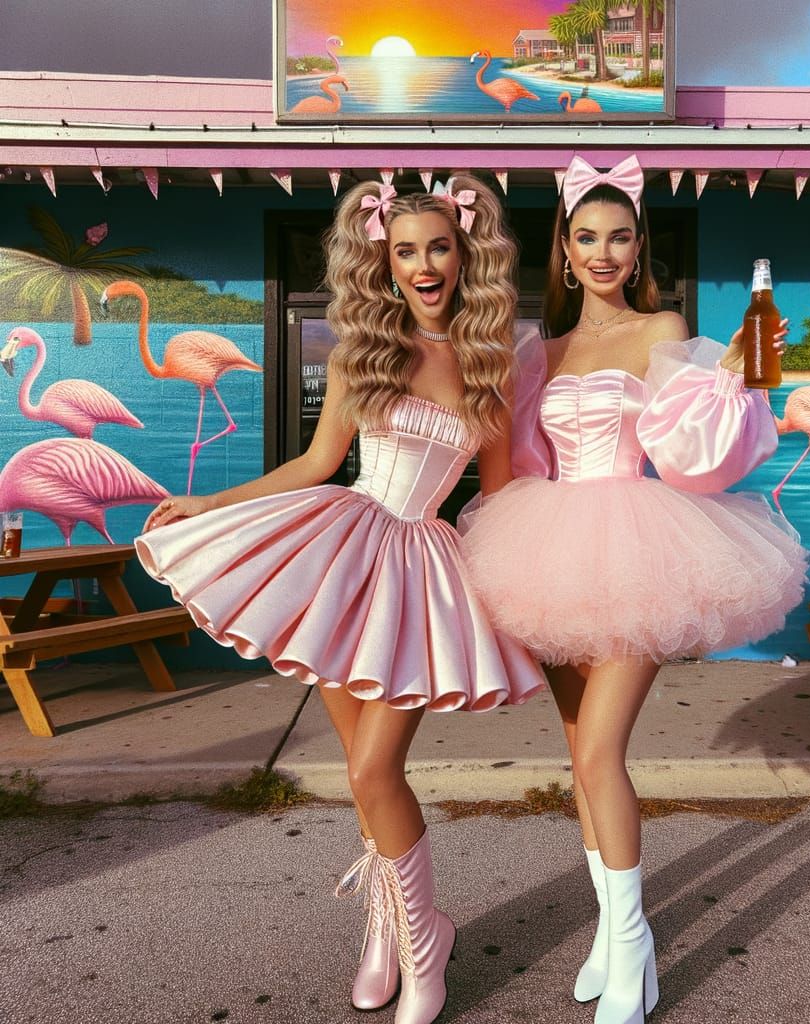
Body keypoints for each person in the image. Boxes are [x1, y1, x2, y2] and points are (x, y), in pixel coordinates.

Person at [130, 175, 546, 1024]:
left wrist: (526, 583)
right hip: (343, 557)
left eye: (439, 247)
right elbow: (317, 465)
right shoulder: (365, 350)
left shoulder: (488, 365)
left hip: (421, 568)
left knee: (371, 769)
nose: (424, 265)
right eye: (406, 251)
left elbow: (499, 496)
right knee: (363, 777)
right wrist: (212, 502)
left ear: (463, 256)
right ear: (385, 263)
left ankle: (426, 945)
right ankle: (388, 931)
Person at [460, 155, 809, 1024]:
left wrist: (735, 377)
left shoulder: (663, 328)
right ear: (565, 249)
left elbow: (693, 449)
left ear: (638, 245)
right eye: (587, 237)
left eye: (619, 237)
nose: (603, 252)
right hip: (547, 550)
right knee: (577, 753)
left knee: (599, 755)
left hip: (637, 549)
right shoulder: (538, 350)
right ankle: (612, 942)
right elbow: (514, 463)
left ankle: (634, 940)